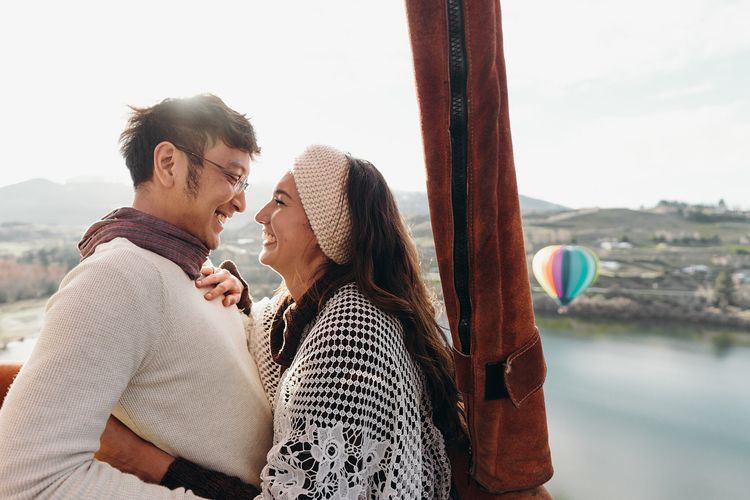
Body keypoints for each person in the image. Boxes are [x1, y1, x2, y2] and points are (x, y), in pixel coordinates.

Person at [98, 144, 466, 499]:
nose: (260, 216)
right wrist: (238, 298)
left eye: (280, 202)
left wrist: (138, 458)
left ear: (324, 229)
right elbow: (270, 338)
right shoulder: (311, 309)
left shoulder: (351, 337)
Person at [0, 94, 273, 499]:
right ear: (168, 163)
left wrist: (242, 312)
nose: (241, 202)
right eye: (233, 176)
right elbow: (29, 479)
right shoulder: (116, 278)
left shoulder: (183, 267)